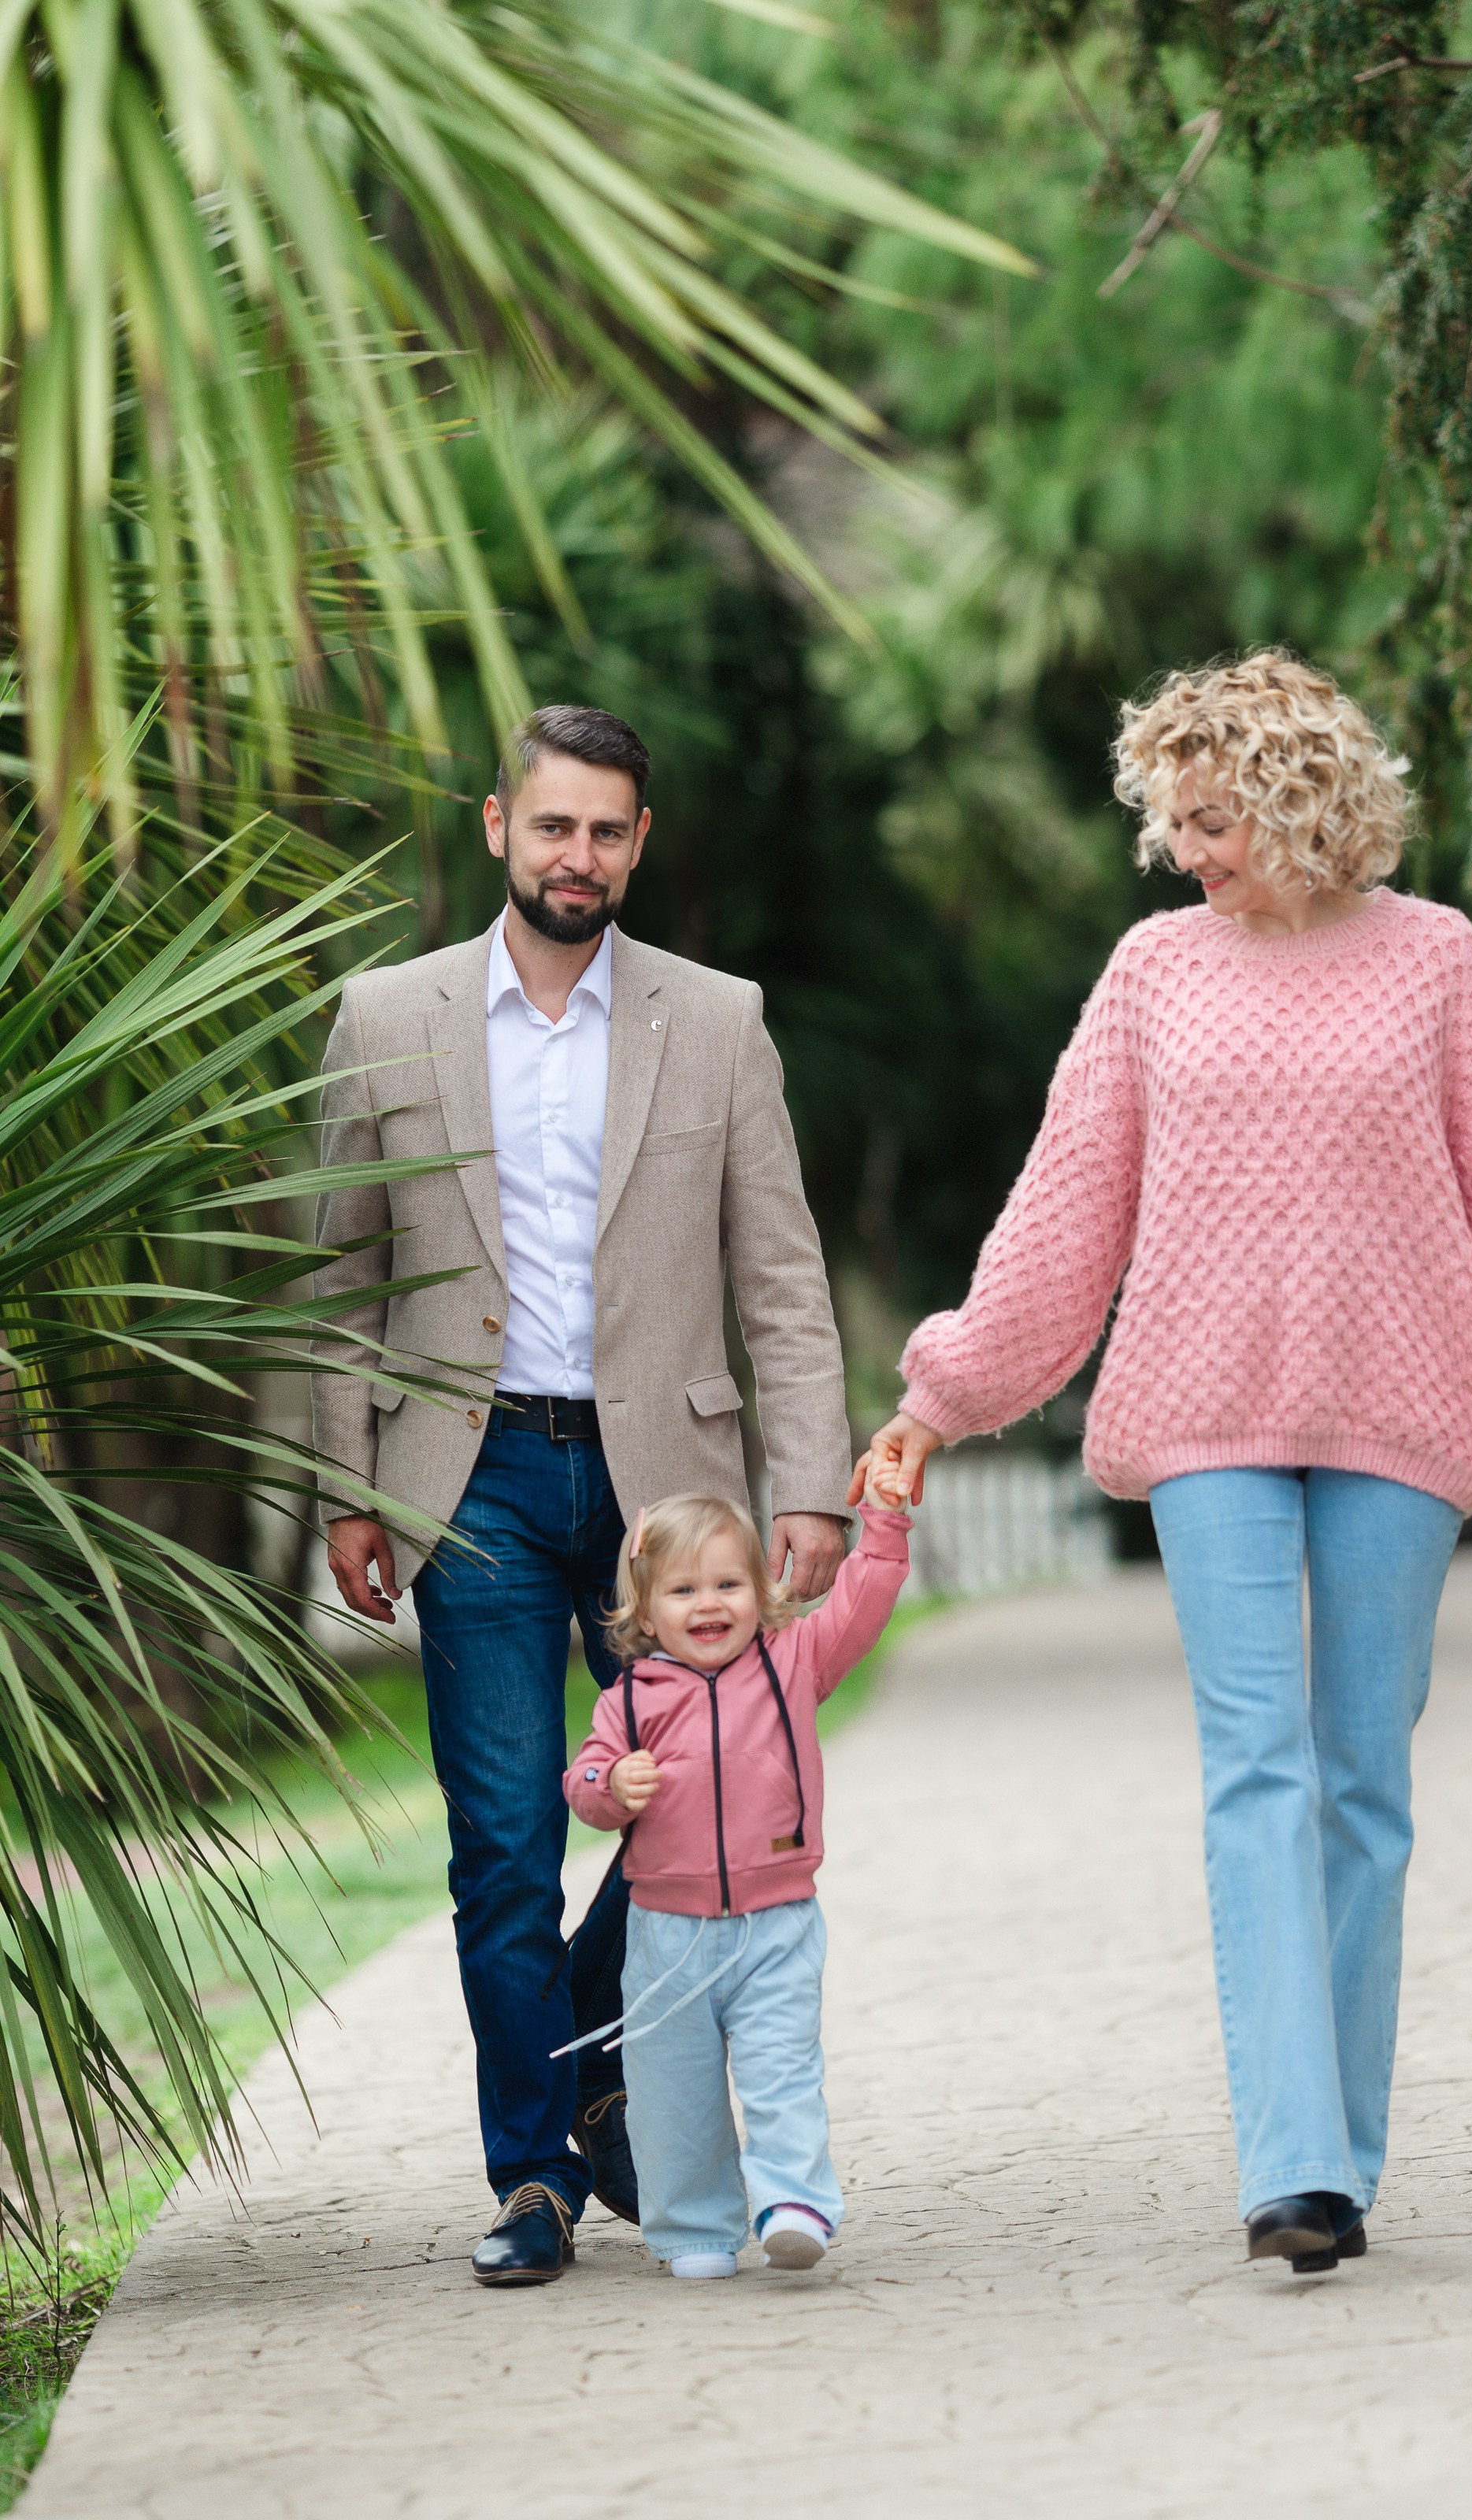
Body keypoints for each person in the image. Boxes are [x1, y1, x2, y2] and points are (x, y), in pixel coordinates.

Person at [859, 650, 1472, 2275]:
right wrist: (943, 1393)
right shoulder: (1154, 971)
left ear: (1302, 800)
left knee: (1361, 1773)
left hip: (1404, 1409)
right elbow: (1066, 1206)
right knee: (1254, 1762)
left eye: (1213, 818)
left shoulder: (1437, 960)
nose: (1186, 850)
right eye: (1174, 822)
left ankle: (1339, 2150)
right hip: (1205, 1410)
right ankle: (1291, 2163)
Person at [311, 704, 853, 2285]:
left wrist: (810, 1482)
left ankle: (593, 2048)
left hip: (666, 1490)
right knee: (501, 1842)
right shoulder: (384, 1016)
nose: (579, 855)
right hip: (465, 1473)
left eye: (608, 831)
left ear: (640, 842)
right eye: (554, 825)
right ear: (499, 825)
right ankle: (538, 2173)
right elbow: (339, 1277)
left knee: (701, 1801)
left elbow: (782, 1275)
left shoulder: (718, 1020)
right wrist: (346, 1485)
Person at [562, 1485, 911, 2278]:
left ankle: (795, 2204)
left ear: (761, 1589)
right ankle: (694, 2231)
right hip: (667, 1936)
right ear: (646, 1610)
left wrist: (886, 1523)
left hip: (776, 1923)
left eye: (729, 1583)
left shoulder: (795, 1661)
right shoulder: (629, 1701)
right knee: (672, 2093)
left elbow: (862, 1603)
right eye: (684, 1589)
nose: (709, 1603)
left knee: (782, 2069)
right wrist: (612, 1783)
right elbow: (582, 1783)